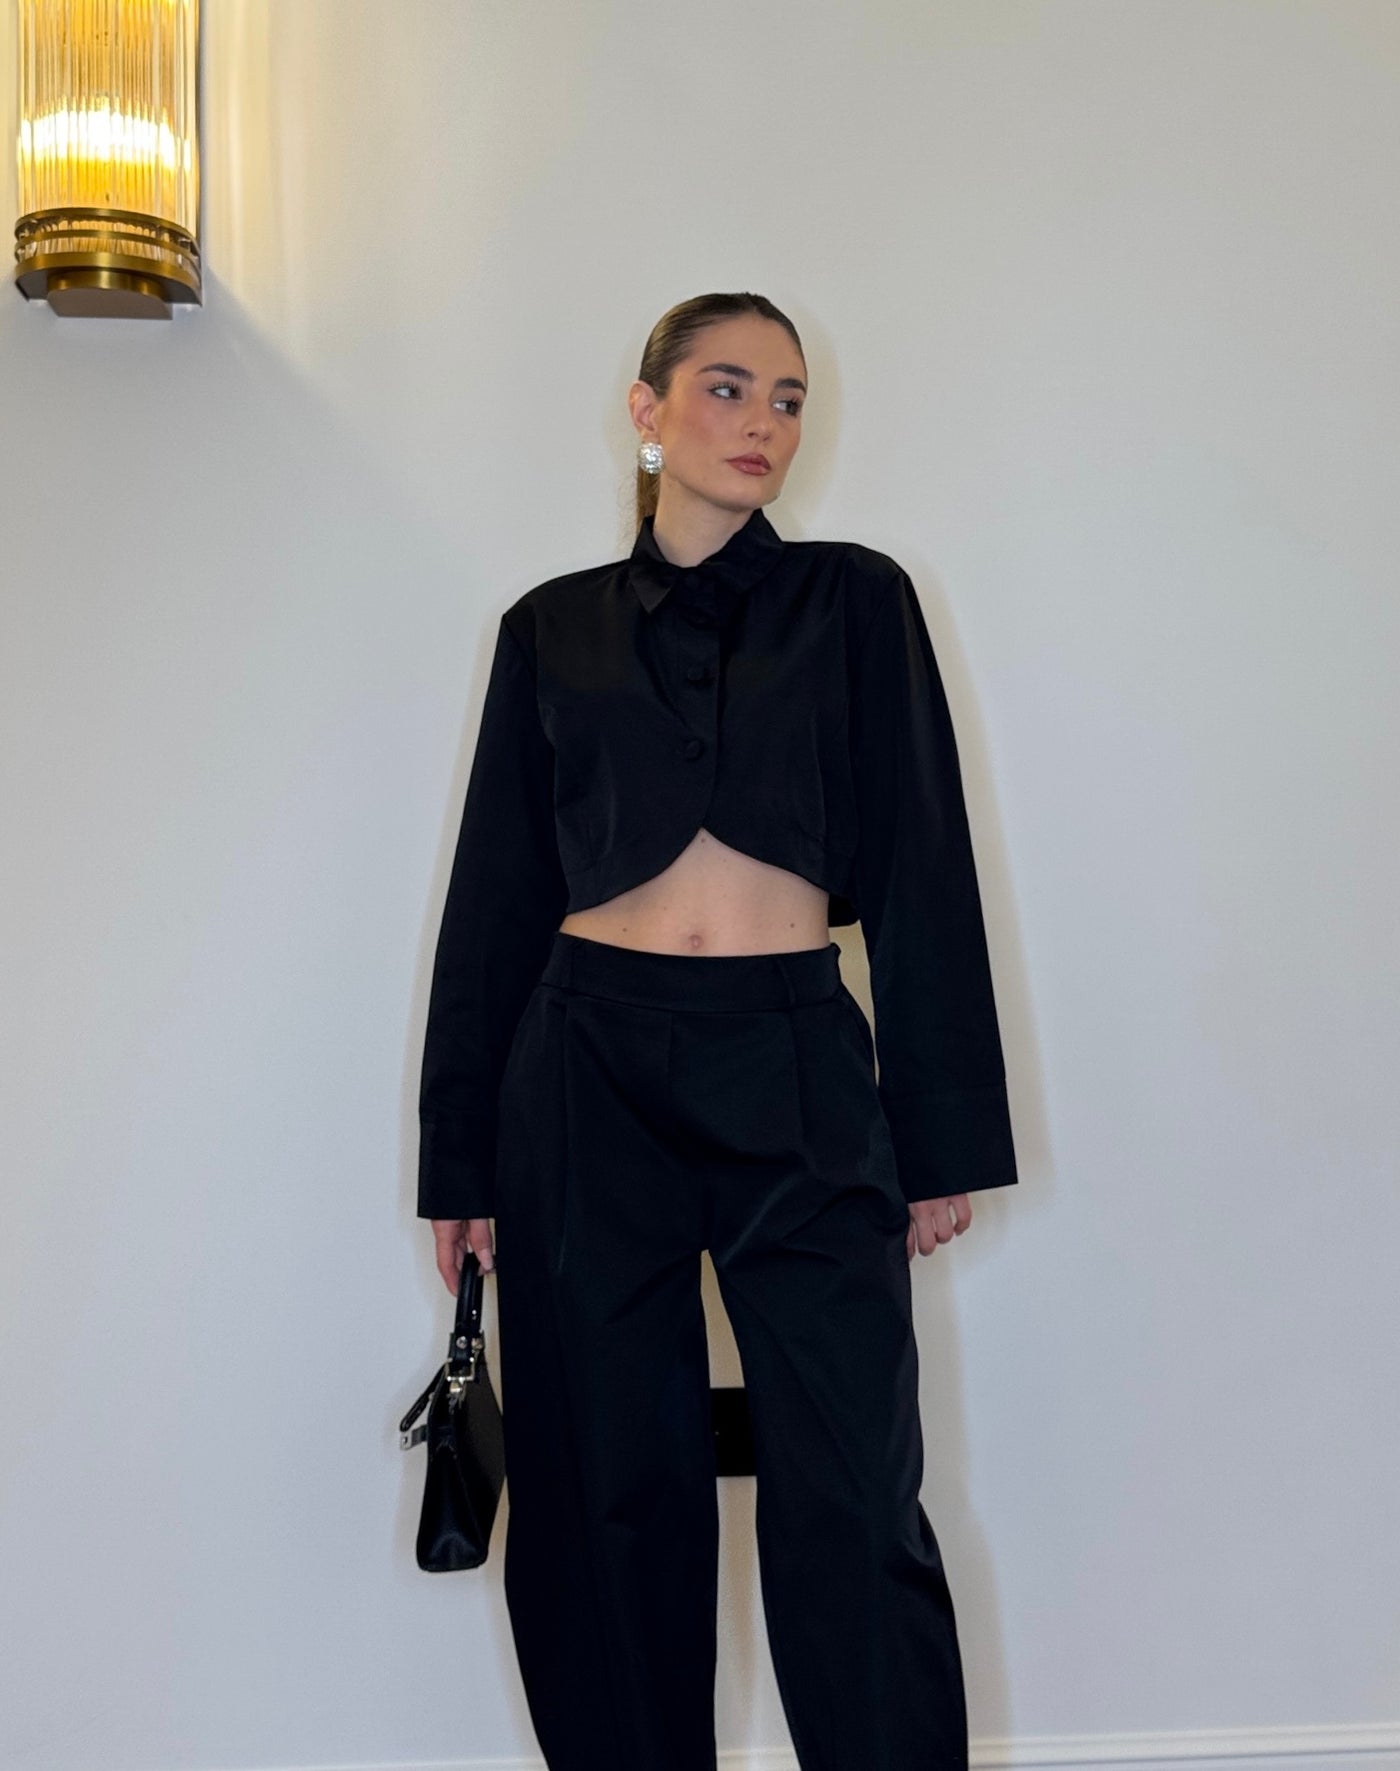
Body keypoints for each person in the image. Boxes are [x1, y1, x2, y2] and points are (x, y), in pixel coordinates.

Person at [415, 291, 1018, 1771]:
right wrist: (461, 1163)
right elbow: (495, 897)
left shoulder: (857, 601)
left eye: (789, 398)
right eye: (729, 388)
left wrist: (941, 1137)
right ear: (648, 411)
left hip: (794, 1058)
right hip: (584, 1072)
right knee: (604, 1491)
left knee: (853, 1487)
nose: (764, 424)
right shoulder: (550, 629)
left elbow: (925, 864)